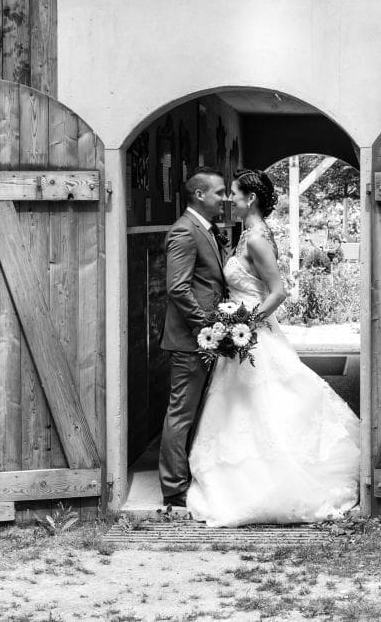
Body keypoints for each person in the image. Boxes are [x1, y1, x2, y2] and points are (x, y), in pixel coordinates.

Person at [186, 169, 360, 527]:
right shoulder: (247, 234)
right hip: (239, 336)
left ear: (249, 199)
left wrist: (245, 325)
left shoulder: (258, 239)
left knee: (266, 406)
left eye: (233, 194)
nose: (229, 200)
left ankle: (275, 482)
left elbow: (278, 291)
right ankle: (240, 481)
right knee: (241, 409)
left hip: (254, 335)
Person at [159, 170, 229, 508]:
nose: (225, 198)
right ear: (200, 194)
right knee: (181, 413)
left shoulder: (204, 229)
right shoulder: (185, 232)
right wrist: (207, 328)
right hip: (190, 340)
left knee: (196, 411)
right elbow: (178, 288)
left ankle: (188, 473)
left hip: (203, 338)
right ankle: (174, 488)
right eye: (219, 192)